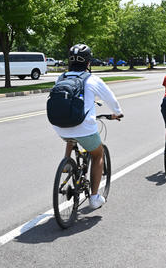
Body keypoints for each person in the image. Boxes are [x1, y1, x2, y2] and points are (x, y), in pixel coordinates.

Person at [50, 44, 123, 209]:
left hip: (59, 126)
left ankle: (67, 164)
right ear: (88, 62)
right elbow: (111, 99)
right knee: (98, 154)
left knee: (71, 134)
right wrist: (117, 112)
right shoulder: (92, 79)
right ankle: (95, 198)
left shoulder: (61, 78)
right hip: (84, 128)